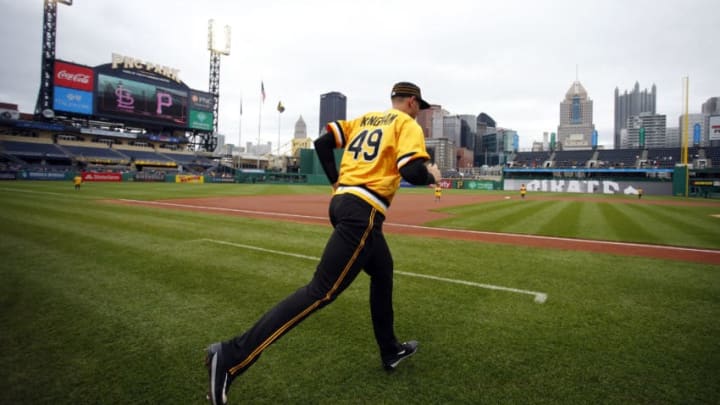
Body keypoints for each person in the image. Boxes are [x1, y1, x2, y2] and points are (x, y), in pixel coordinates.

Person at [205, 82, 442, 405]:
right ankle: (231, 356)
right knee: (321, 291)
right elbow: (412, 171)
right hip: (363, 210)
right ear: (412, 102)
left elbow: (321, 142)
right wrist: (432, 174)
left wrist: (335, 181)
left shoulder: (366, 119)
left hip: (343, 202)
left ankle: (390, 349)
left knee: (383, 270)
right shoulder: (406, 124)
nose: (419, 111)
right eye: (420, 106)